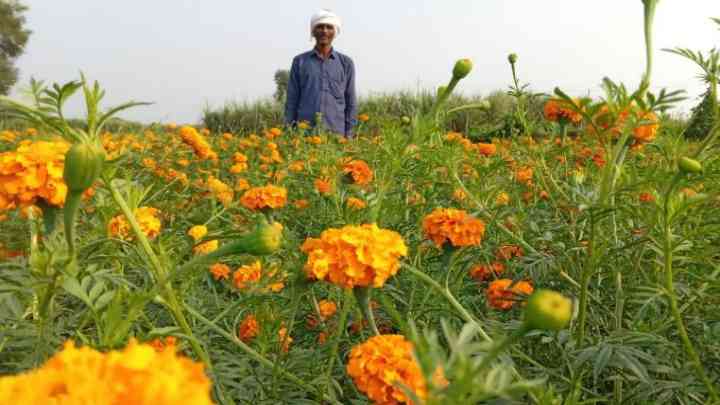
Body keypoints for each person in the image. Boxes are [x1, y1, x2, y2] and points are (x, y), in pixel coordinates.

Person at [285, 9, 357, 138]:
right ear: (313, 31)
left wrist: (349, 135)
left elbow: (350, 102)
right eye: (320, 27)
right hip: (305, 134)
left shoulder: (346, 63)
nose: (324, 31)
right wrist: (289, 132)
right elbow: (292, 100)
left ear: (335, 32)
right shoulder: (300, 61)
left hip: (336, 135)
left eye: (329, 27)